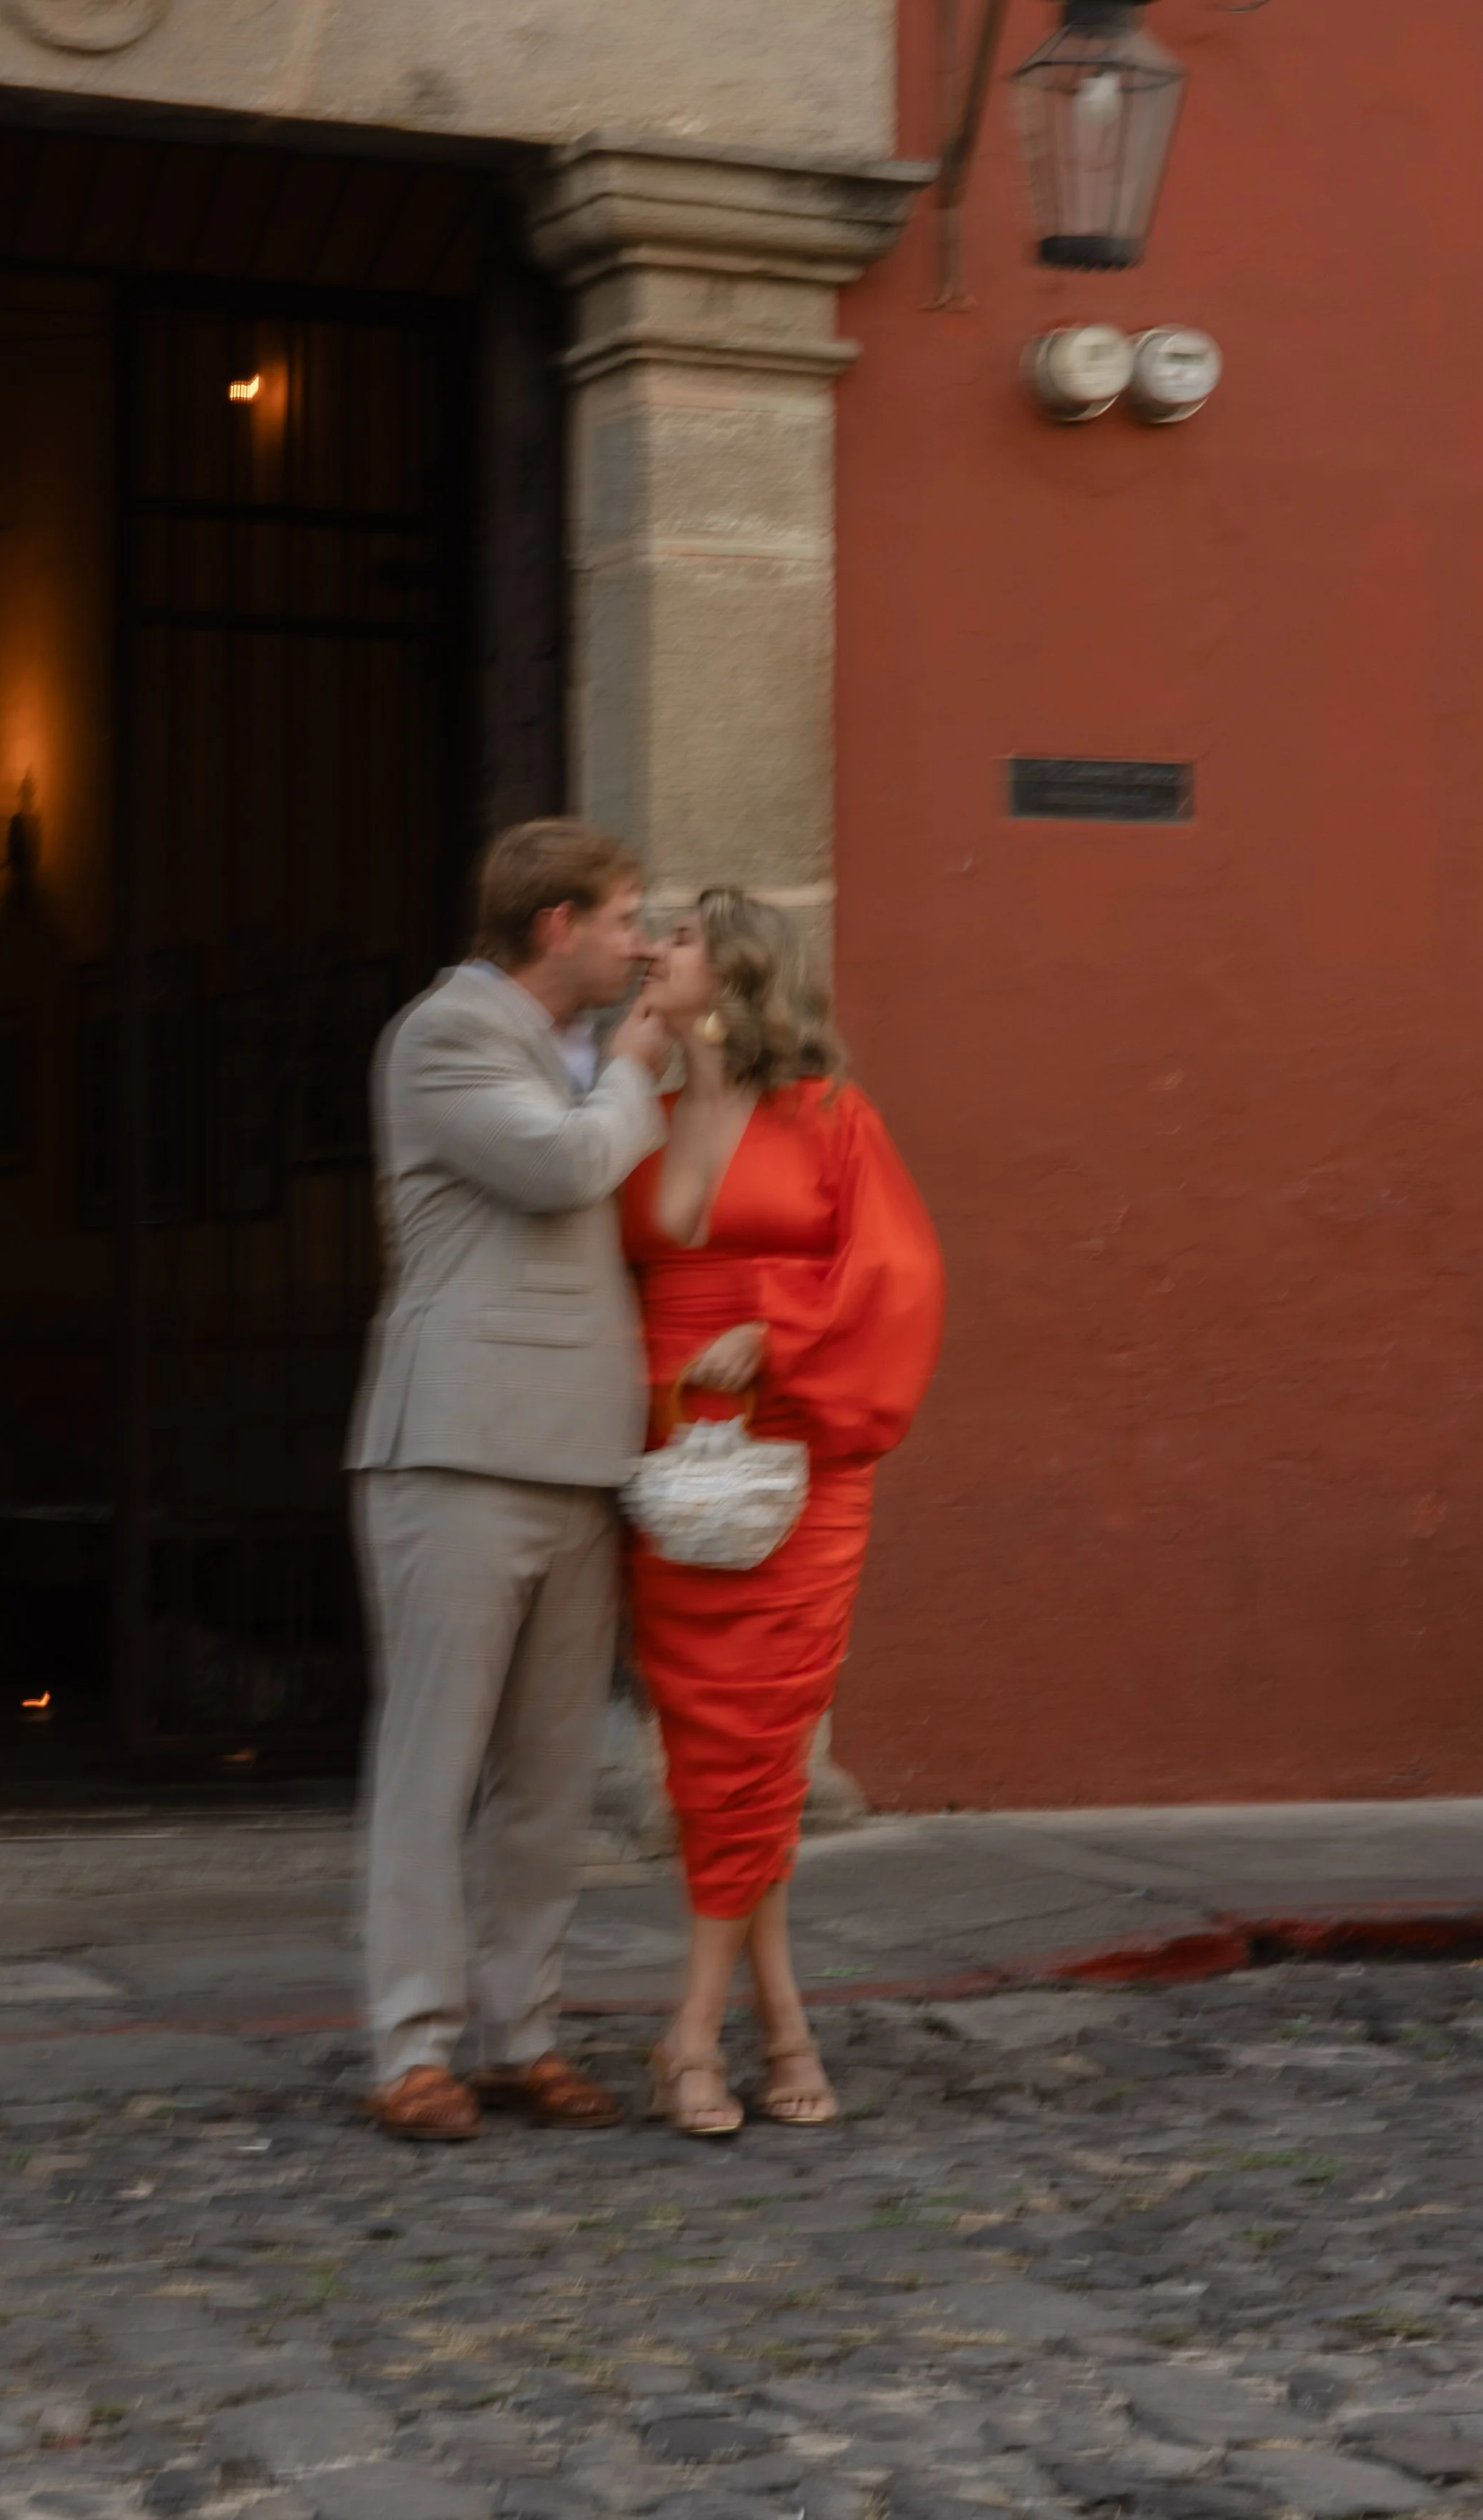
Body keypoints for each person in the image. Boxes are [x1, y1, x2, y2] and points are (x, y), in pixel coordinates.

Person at [347, 818, 670, 2141]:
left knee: (546, 1775)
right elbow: (563, 1164)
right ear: (558, 925)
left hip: (581, 1449)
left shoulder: (588, 1053)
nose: (641, 942)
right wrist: (644, 1060)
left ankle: (521, 2032)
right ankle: (410, 2043)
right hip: (458, 1444)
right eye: (624, 917)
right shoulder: (449, 1035)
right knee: (437, 1760)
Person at [619, 889, 945, 2135]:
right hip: (668, 1459)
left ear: (742, 976)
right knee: (715, 1758)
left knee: (762, 1739)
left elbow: (904, 1269)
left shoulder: (827, 1114)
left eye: (681, 940)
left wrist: (784, 1330)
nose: (655, 950)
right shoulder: (634, 1112)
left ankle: (692, 2034)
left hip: (798, 1452)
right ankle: (787, 2016)